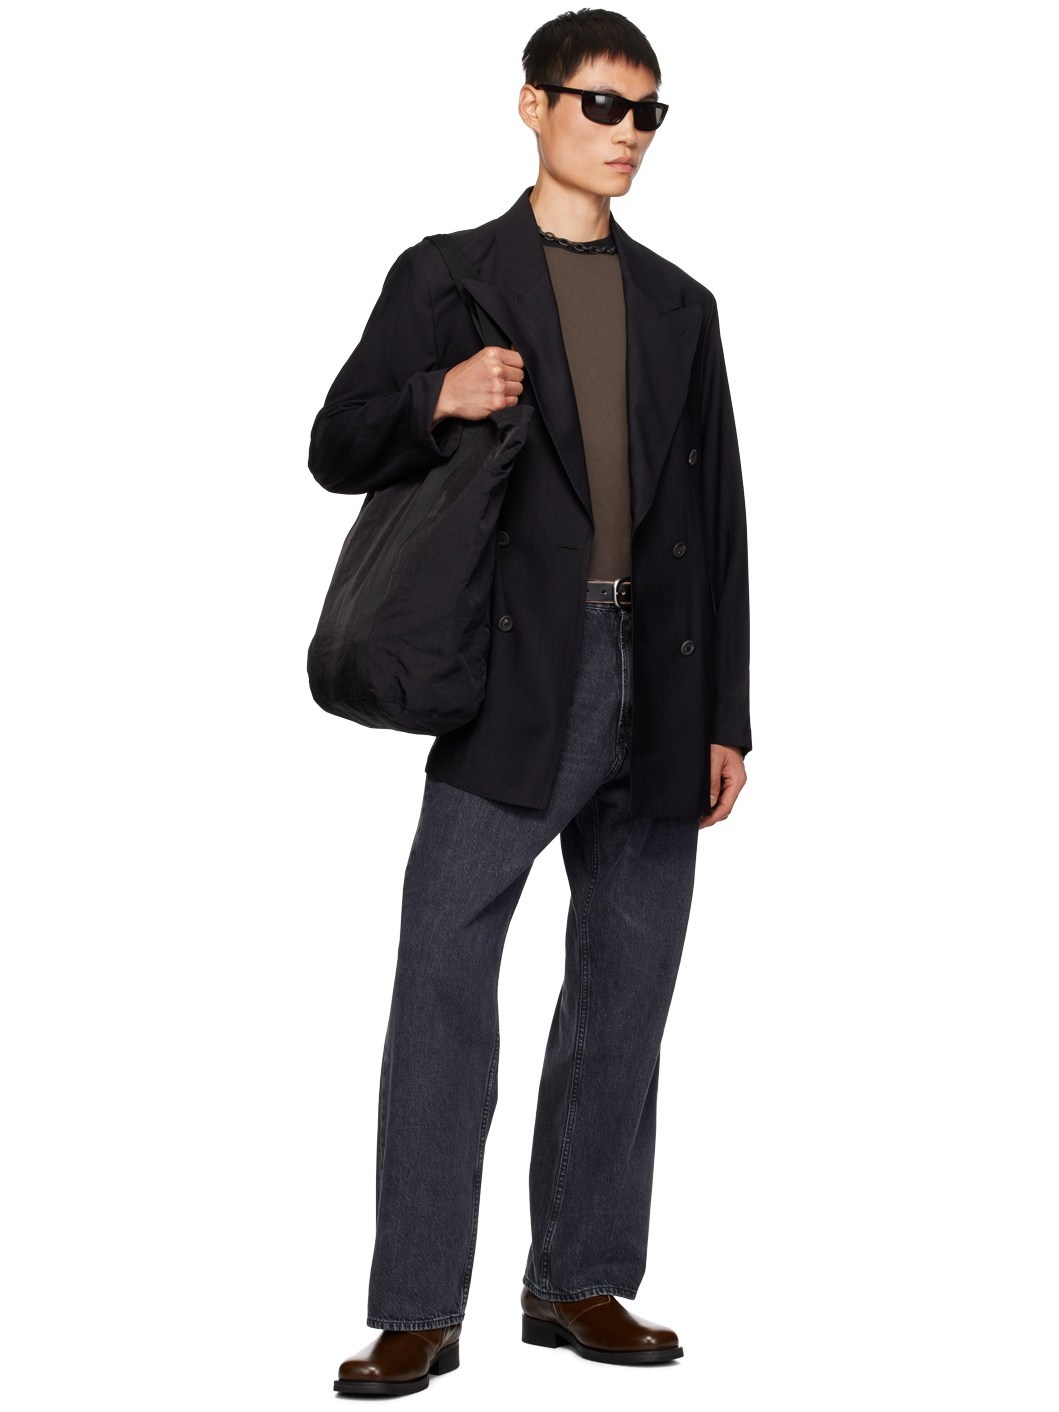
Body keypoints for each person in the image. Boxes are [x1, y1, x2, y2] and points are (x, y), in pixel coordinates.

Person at [308, 8, 752, 1396]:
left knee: (626, 993)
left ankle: (579, 1280)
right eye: (601, 105)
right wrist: (437, 394)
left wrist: (728, 714)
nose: (627, 133)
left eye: (647, 112)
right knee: (443, 981)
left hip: (658, 682)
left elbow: (720, 524)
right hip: (513, 680)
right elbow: (335, 444)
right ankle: (416, 1307)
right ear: (533, 106)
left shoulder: (682, 305)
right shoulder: (449, 276)